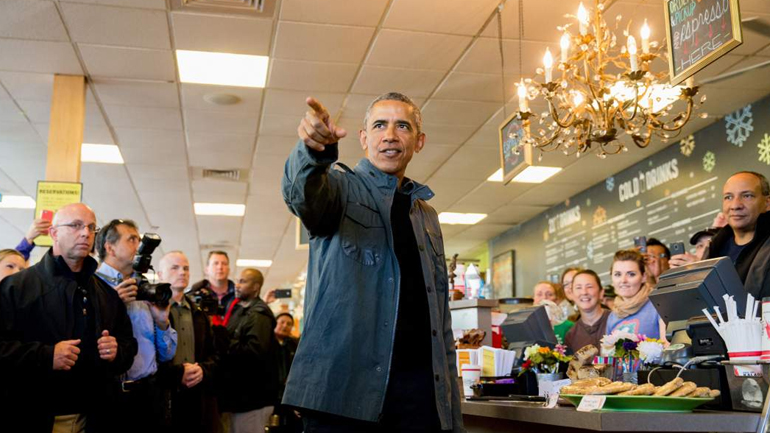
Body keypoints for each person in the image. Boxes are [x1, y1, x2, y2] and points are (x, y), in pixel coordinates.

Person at [282, 93, 463, 432]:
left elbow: (442, 321)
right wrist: (313, 151)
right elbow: (301, 194)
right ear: (364, 138)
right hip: (344, 400)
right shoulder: (340, 188)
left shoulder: (427, 217)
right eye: (380, 125)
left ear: (418, 141)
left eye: (403, 126)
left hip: (420, 400)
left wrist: (451, 412)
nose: (390, 134)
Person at [0, 203, 137, 432]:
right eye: (75, 225)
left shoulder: (106, 293)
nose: (85, 233)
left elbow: (128, 345)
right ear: (53, 233)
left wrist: (116, 351)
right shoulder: (16, 288)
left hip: (94, 416)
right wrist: (47, 355)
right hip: (32, 414)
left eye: (91, 227)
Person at [94, 219, 177, 432]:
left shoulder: (142, 288)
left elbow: (166, 354)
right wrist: (113, 305)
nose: (139, 247)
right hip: (110, 398)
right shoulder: (91, 286)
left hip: (149, 395)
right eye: (132, 239)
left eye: (139, 241)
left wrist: (162, 322)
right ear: (109, 247)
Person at [670, 172, 770, 298]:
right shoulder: (714, 248)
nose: (735, 205)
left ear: (767, 203)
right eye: (728, 197)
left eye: (747, 196)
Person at [157, 251, 220, 433]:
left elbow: (213, 355)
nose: (182, 272)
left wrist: (202, 369)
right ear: (160, 275)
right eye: (175, 268)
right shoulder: (150, 311)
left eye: (186, 268)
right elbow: (146, 360)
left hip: (196, 398)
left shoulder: (198, 313)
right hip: (163, 398)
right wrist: (177, 375)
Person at [218, 268, 280, 433]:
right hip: (237, 398)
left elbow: (254, 352)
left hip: (252, 400)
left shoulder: (260, 315)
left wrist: (225, 342)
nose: (237, 285)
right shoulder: (239, 310)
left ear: (256, 287)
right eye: (237, 281)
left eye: (243, 281)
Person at [606, 249, 666, 340]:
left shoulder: (658, 304)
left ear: (643, 277)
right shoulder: (612, 316)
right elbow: (607, 352)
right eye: (618, 274)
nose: (623, 280)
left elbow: (668, 346)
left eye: (631, 274)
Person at [565, 270, 610, 351]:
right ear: (572, 294)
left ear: (601, 293)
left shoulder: (616, 321)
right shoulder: (571, 336)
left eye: (589, 287)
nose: (584, 292)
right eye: (578, 287)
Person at [274, 312, 302, 432]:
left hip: (289, 397)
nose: (285, 326)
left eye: (289, 324)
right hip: (271, 397)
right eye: (282, 322)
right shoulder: (267, 343)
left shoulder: (294, 345)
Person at [191, 250, 236, 324]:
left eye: (224, 264)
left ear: (229, 270)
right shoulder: (197, 294)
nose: (220, 267)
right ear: (206, 269)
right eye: (216, 263)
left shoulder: (239, 295)